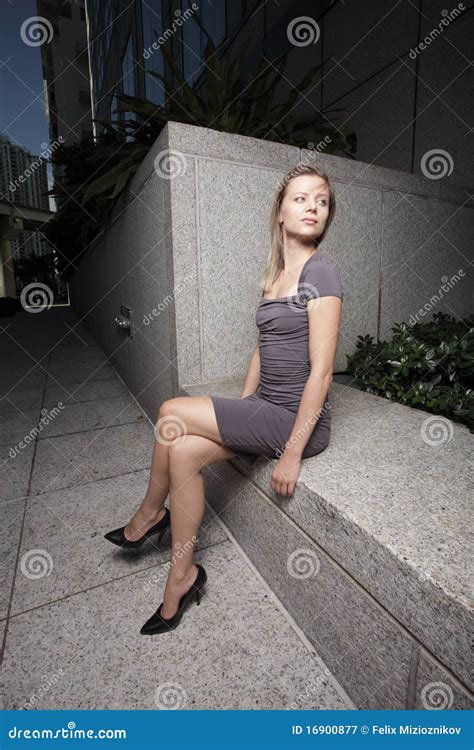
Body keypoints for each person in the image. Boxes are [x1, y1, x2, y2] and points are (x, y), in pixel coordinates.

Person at [104, 162, 343, 635]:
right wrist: (243, 407)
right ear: (280, 211)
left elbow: (322, 371)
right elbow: (262, 347)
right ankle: (183, 575)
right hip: (266, 409)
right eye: (301, 198)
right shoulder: (277, 272)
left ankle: (149, 516)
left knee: (172, 411)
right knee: (182, 449)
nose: (313, 206)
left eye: (322, 200)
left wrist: (292, 452)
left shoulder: (322, 273)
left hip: (297, 420)